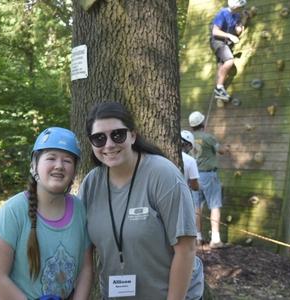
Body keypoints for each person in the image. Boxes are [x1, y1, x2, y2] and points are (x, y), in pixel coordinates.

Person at [78, 101, 204, 299]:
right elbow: (83, 253)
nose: (109, 144)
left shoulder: (162, 175)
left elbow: (186, 250)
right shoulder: (91, 184)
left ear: (133, 135)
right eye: (99, 138)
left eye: (117, 134)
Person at [0, 127, 92, 300]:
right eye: (51, 158)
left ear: (74, 171)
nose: (59, 165)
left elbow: (85, 270)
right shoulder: (13, 211)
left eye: (67, 161)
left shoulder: (80, 211)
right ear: (34, 165)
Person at [189, 111, 229, 249]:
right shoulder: (208, 137)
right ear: (203, 124)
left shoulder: (189, 138)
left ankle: (198, 238)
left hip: (194, 176)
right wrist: (227, 148)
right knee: (214, 205)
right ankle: (215, 239)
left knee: (196, 207)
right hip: (209, 175)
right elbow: (221, 151)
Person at [210, 0, 248, 102]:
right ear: (235, 6)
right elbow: (215, 31)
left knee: (222, 66)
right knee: (229, 61)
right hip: (218, 42)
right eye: (240, 7)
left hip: (226, 43)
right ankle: (218, 88)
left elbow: (238, 31)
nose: (241, 9)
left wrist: (244, 18)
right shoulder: (223, 13)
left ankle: (220, 91)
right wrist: (229, 35)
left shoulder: (236, 16)